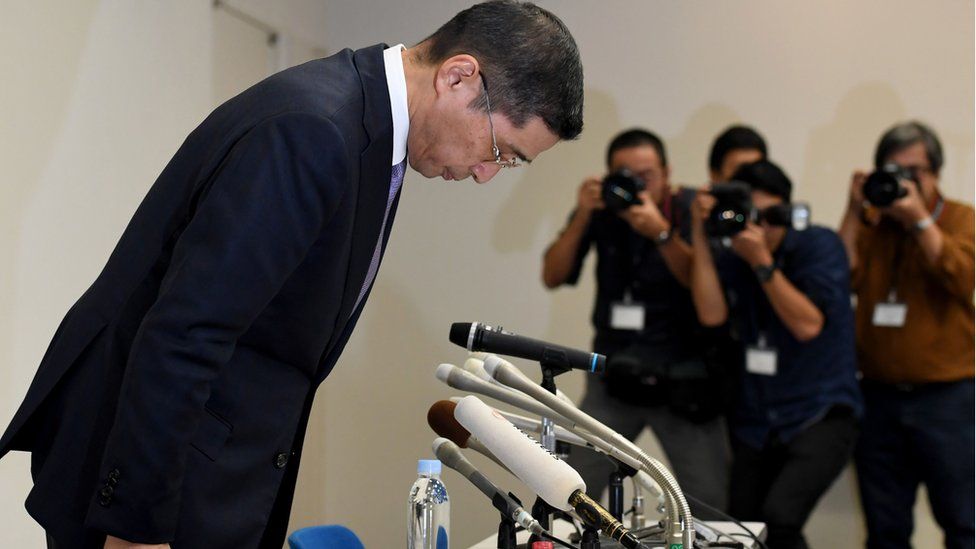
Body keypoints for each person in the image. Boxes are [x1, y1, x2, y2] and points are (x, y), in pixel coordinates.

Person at [0, 2, 584, 548]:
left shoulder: (365, 125)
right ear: (458, 77)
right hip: (143, 480)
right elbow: (185, 334)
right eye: (501, 150)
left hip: (206, 471)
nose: (487, 173)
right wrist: (136, 527)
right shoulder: (316, 128)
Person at [542, 129, 730, 515]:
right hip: (614, 377)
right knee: (568, 490)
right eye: (625, 175)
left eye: (646, 176)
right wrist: (581, 214)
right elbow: (553, 275)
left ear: (667, 173)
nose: (636, 185)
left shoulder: (690, 208)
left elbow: (705, 288)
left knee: (709, 501)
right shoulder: (603, 211)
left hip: (684, 382)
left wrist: (660, 232)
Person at [689, 160, 862, 549]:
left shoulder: (819, 245)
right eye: (754, 216)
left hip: (819, 413)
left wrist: (762, 263)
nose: (762, 227)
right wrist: (702, 233)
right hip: (757, 419)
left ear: (786, 208)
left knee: (782, 519)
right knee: (742, 528)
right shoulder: (733, 254)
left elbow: (807, 325)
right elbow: (711, 314)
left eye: (771, 216)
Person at [838, 121, 975, 549]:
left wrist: (917, 219)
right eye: (893, 171)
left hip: (946, 398)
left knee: (962, 521)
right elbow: (840, 277)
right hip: (878, 396)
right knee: (885, 528)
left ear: (935, 174)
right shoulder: (873, 223)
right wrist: (852, 210)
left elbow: (962, 277)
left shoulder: (960, 217)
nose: (903, 182)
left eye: (913, 172)